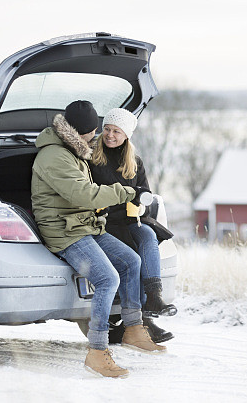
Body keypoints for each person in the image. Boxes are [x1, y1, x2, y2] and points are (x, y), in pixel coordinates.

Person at [30, 100, 164, 379]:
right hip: (64, 231)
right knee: (107, 278)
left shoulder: (73, 150)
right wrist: (128, 192)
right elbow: (84, 195)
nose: (98, 135)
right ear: (84, 131)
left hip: (83, 224)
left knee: (131, 261)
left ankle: (133, 329)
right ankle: (97, 350)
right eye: (96, 130)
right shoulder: (54, 156)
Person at [90, 107, 177, 343]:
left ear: (126, 135)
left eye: (116, 131)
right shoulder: (92, 159)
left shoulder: (134, 162)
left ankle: (154, 298)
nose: (110, 135)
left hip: (130, 220)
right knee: (134, 257)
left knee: (148, 235)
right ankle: (141, 321)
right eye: (107, 129)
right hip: (105, 222)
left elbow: (145, 194)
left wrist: (140, 206)